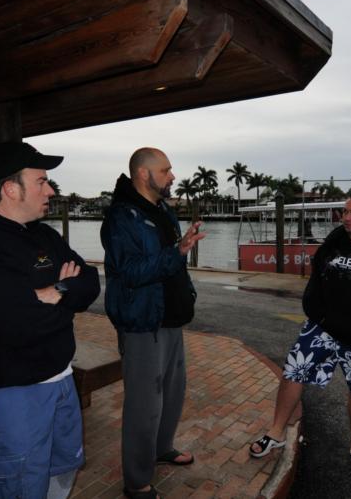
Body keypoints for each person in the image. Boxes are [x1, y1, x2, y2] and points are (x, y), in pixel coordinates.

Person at [0, 141, 100, 498]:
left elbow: (89, 283)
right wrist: (62, 294)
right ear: (11, 189)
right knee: (16, 490)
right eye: (42, 181)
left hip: (61, 383)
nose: (51, 190)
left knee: (62, 475)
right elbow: (19, 323)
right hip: (10, 396)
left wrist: (52, 291)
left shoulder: (43, 234)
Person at [249, 190, 351, 475]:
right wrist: (316, 312)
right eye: (344, 212)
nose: (346, 217)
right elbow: (317, 269)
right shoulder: (335, 239)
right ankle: (275, 432)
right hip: (323, 329)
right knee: (292, 371)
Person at [101, 148, 205, 499]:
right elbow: (128, 272)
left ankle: (162, 448)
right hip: (142, 323)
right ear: (144, 174)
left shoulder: (161, 210)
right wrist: (176, 253)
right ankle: (137, 481)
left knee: (173, 394)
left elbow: (171, 261)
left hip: (171, 318)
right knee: (144, 405)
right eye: (166, 170)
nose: (173, 176)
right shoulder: (121, 218)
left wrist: (183, 268)